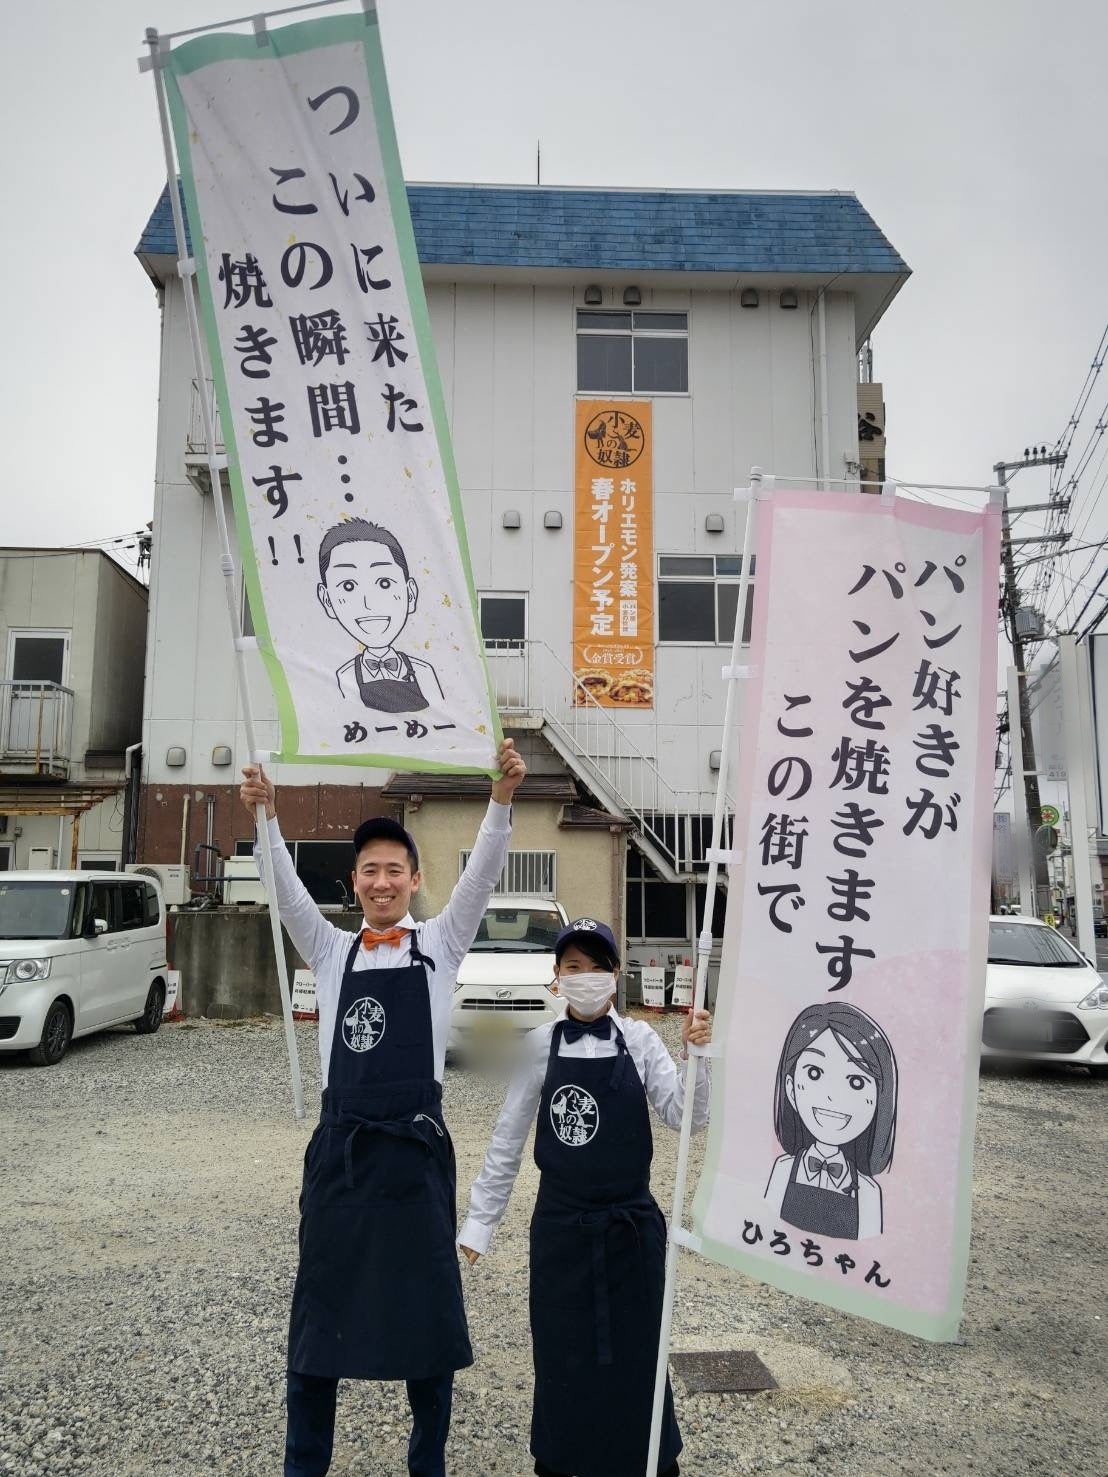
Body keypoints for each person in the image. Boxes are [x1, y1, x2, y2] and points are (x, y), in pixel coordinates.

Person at [239, 738, 526, 1477]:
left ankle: (426, 1465)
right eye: (369, 869)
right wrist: (266, 815)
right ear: (356, 882)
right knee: (315, 1335)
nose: (382, 880)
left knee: (427, 1333)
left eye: (394, 868)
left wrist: (501, 798)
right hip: (342, 1157)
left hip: (415, 1159)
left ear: (414, 878)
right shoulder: (331, 952)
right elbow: (283, 888)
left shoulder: (442, 943)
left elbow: (486, 870)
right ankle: (304, 1465)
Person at [458, 917, 712, 1477]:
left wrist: (701, 1056)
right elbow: (508, 1138)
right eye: (573, 966)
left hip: (632, 1228)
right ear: (556, 977)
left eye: (597, 967)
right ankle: (563, 1462)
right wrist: (480, 1224)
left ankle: (646, 1463)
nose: (586, 976)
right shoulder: (538, 1046)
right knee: (562, 1358)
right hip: (561, 1229)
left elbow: (686, 1118)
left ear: (615, 976)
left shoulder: (641, 1040)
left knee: (640, 1358)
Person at [763, 1000, 897, 1241]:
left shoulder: (867, 1191)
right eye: (814, 1073)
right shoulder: (783, 1170)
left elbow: (873, 1247)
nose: (832, 1096)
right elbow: (764, 1221)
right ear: (791, 1089)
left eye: (856, 1082)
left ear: (879, 1101)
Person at [315, 516, 445, 712]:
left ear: (410, 593)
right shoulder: (345, 675)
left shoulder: (423, 671)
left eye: (384, 583)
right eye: (348, 586)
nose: (368, 604)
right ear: (327, 600)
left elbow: (451, 727)